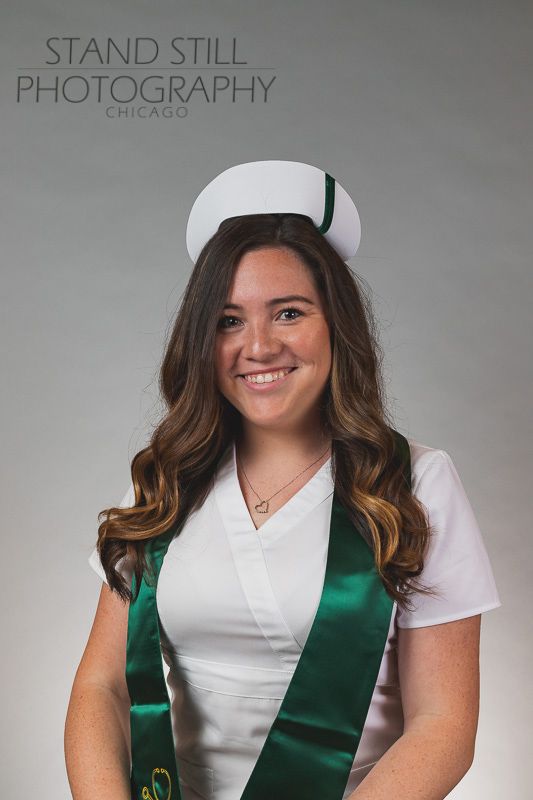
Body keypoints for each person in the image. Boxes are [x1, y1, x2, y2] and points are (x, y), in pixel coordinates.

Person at [64, 160, 501, 800]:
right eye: (229, 320)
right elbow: (101, 685)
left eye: (289, 313)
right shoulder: (167, 480)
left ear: (337, 326)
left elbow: (444, 726)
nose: (259, 346)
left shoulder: (413, 486)